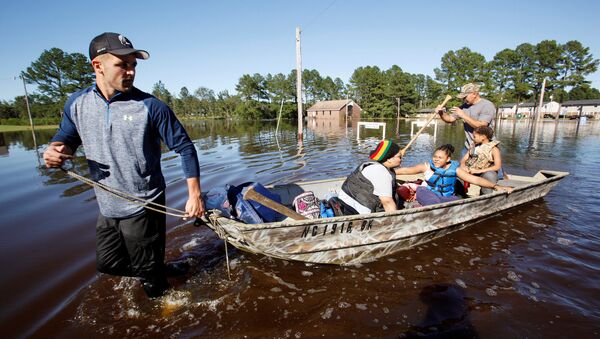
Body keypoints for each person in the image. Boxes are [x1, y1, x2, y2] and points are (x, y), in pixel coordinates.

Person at [42, 32, 205, 298]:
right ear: (98, 66)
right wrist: (55, 151)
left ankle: (164, 308)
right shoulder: (77, 103)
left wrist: (194, 195)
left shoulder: (151, 106)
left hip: (144, 203)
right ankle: (159, 269)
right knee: (107, 263)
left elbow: (185, 148)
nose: (130, 72)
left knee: (151, 286)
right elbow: (66, 138)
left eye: (133, 65)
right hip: (107, 204)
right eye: (122, 64)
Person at [394, 144, 512, 206]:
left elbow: (474, 179)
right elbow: (405, 171)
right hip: (427, 192)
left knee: (454, 202)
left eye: (440, 158)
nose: (436, 160)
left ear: (448, 159)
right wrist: (388, 170)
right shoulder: (426, 166)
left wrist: (496, 187)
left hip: (445, 197)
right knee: (431, 200)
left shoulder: (455, 170)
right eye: (435, 157)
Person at [337, 139, 402, 215]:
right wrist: (395, 221)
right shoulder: (381, 173)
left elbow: (404, 170)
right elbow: (387, 202)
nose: (401, 159)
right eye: (399, 157)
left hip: (344, 200)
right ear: (389, 159)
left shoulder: (374, 164)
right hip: (354, 209)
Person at [437, 83, 496, 156]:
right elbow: (449, 119)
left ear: (474, 94)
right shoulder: (464, 106)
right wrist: (441, 113)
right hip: (469, 146)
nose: (463, 99)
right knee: (463, 166)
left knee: (488, 167)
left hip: (486, 146)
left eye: (465, 97)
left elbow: (482, 126)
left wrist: (463, 115)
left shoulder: (487, 105)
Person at [459, 126, 502, 195]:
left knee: (490, 175)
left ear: (483, 137)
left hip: (484, 173)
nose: (473, 138)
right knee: (457, 171)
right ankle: (461, 194)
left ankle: (486, 196)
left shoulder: (494, 149)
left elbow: (497, 166)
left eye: (475, 136)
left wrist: (478, 171)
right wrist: (463, 166)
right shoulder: (473, 147)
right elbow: (463, 160)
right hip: (471, 171)